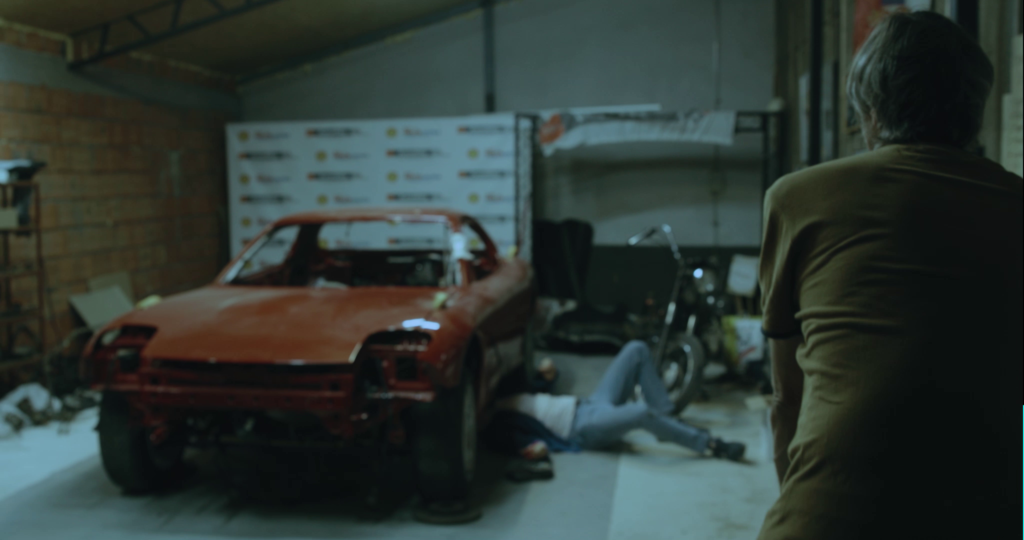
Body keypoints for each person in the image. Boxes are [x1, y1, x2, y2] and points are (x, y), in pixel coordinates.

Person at [757, 11, 1021, 540]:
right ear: (974, 108)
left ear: (870, 110)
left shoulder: (797, 198)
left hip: (823, 518)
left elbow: (787, 398)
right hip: (977, 517)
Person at [482, 341, 746, 463]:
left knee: (636, 349)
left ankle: (667, 420)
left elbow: (540, 388)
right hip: (581, 428)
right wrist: (531, 449)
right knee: (640, 412)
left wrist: (548, 375)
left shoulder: (500, 390)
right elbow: (515, 441)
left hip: (587, 404)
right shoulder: (495, 423)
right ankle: (710, 444)